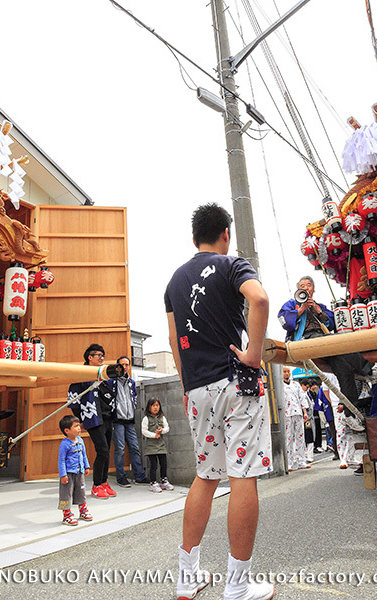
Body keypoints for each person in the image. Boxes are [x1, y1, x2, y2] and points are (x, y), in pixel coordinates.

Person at [165, 202, 273, 600]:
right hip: (235, 382)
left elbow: (174, 341)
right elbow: (259, 300)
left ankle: (186, 576)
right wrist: (254, 354)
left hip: (197, 389)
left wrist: (186, 382)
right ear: (225, 234)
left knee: (206, 476)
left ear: (195, 238)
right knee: (243, 476)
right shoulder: (231, 265)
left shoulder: (175, 281)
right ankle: (238, 586)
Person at [278, 276, 377, 415]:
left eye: (308, 285)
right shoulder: (291, 304)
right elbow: (286, 322)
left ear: (313, 289)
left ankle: (350, 414)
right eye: (302, 286)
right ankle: (370, 370)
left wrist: (316, 309)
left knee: (344, 370)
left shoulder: (319, 306)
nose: (305, 288)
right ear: (298, 289)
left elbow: (331, 324)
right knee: (338, 341)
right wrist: (302, 308)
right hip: (305, 340)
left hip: (323, 340)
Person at [68, 344, 118, 500]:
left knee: (107, 450)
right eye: (98, 355)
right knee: (102, 450)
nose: (102, 358)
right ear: (90, 357)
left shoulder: (103, 375)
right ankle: (96, 485)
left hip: (107, 417)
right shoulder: (81, 375)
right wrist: (80, 420)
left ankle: (103, 482)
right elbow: (73, 400)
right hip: (93, 417)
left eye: (103, 355)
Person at [111, 355, 149, 487]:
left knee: (135, 448)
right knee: (120, 449)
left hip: (129, 420)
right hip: (117, 420)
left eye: (127, 365)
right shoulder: (111, 381)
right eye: (122, 364)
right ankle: (121, 477)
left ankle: (139, 476)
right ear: (117, 366)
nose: (125, 367)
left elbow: (134, 399)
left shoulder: (131, 382)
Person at [58, 415, 92, 526]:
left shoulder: (81, 440)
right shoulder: (64, 444)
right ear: (67, 431)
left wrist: (86, 466)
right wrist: (63, 474)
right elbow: (61, 460)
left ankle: (83, 510)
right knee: (66, 494)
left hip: (79, 472)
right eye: (76, 426)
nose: (79, 428)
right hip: (68, 473)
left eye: (79, 426)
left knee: (81, 491)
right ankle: (67, 515)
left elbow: (84, 455)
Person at [141, 397, 174, 493]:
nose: (155, 407)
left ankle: (164, 480)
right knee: (153, 465)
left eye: (157, 405)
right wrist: (154, 435)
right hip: (151, 446)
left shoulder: (162, 417)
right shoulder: (146, 418)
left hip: (161, 445)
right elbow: (144, 431)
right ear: (149, 407)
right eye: (153, 405)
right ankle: (153, 483)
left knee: (164, 463)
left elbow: (167, 428)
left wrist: (161, 431)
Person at [282, 366, 310, 471]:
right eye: (284, 372)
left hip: (297, 412)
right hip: (287, 414)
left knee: (300, 437)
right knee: (289, 438)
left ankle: (301, 460)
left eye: (288, 371)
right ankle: (289, 462)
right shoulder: (280, 385)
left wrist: (305, 412)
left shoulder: (296, 384)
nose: (287, 373)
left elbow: (301, 398)